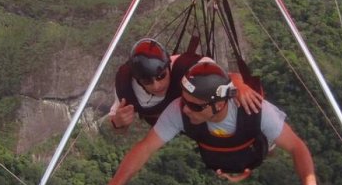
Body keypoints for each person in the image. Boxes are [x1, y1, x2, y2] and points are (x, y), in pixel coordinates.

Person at [92, 58, 330, 185]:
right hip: (215, 153)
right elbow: (144, 149)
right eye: (185, 101)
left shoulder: (256, 111)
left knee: (269, 144)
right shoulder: (179, 109)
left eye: (195, 106)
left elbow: (297, 147)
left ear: (218, 105)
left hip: (253, 146)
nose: (185, 109)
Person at [109, 38, 262, 130]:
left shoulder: (188, 66)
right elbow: (116, 126)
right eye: (147, 81)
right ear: (137, 79)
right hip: (168, 125)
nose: (157, 86)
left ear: (168, 65)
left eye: (161, 76)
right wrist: (118, 123)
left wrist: (239, 85)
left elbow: (226, 76)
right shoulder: (125, 87)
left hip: (198, 120)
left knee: (245, 103)